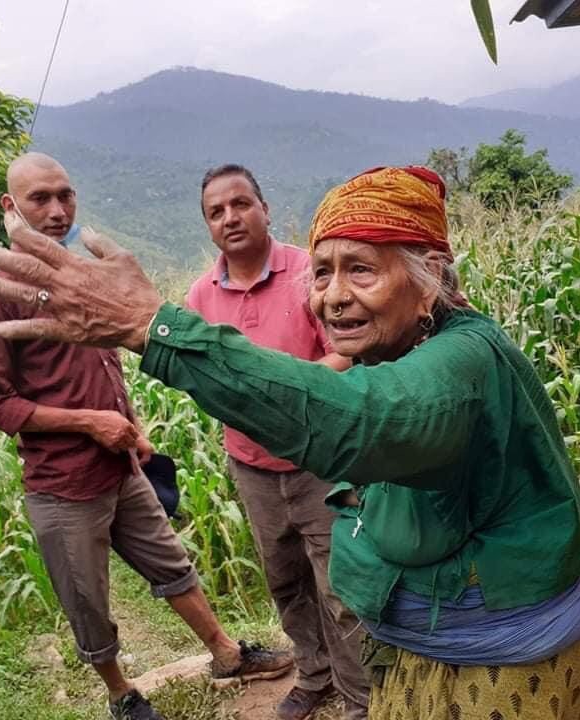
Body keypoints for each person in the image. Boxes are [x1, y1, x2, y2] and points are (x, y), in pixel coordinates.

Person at [0, 165, 580, 720]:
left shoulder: (457, 365)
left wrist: (150, 328)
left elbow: (359, 421)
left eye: (360, 270)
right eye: (323, 273)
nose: (331, 296)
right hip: (435, 643)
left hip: (499, 662)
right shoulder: (403, 341)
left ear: (429, 279)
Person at [0, 152, 294, 720]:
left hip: (120, 466)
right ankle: (121, 695)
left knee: (172, 566)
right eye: (39, 198)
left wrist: (131, 428)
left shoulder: (80, 280)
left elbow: (101, 366)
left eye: (64, 195)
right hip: (63, 484)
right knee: (87, 599)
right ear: (9, 206)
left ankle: (226, 653)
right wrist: (89, 423)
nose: (57, 209)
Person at [188, 164, 369, 720]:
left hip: (320, 460)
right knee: (285, 579)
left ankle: (361, 695)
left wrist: (292, 398)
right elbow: (202, 376)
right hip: (252, 467)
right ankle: (313, 676)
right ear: (208, 226)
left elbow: (347, 350)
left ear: (264, 208)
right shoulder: (201, 296)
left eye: (240, 204)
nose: (230, 217)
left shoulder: (307, 272)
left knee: (341, 583)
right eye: (216, 211)